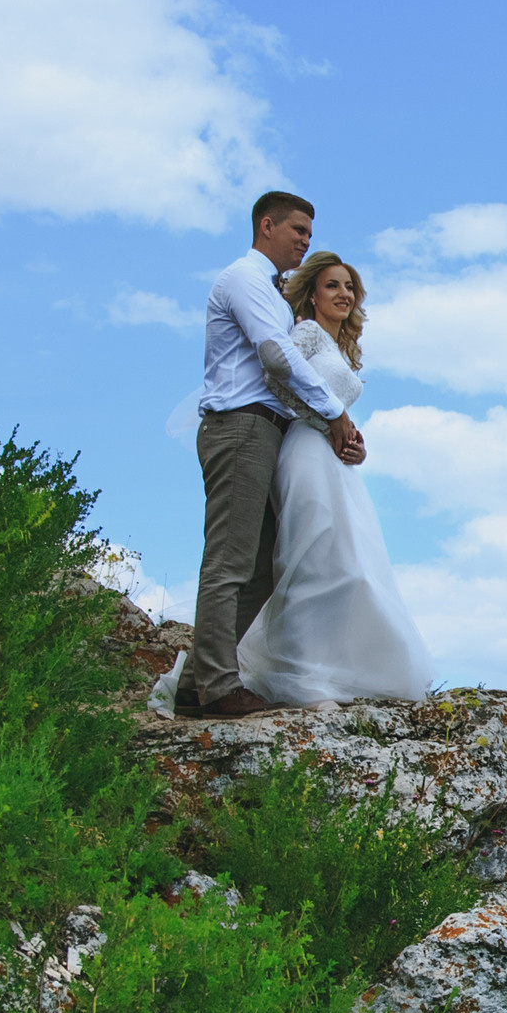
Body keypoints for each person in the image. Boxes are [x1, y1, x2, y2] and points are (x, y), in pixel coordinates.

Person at [178, 191, 365, 719]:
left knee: (260, 570)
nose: (306, 240)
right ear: (267, 225)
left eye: (309, 232)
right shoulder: (243, 278)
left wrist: (335, 424)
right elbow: (276, 355)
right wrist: (334, 414)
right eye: (298, 230)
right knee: (230, 562)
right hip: (240, 428)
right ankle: (216, 688)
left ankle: (197, 682)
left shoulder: (268, 290)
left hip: (268, 433)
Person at [234, 251, 436, 704]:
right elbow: (274, 375)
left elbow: (335, 407)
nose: (343, 294)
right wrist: (325, 418)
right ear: (311, 294)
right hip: (304, 451)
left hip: (335, 463)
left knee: (347, 562)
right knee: (309, 556)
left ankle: (337, 669)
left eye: (349, 288)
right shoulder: (304, 333)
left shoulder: (338, 348)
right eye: (332, 286)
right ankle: (301, 673)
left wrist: (353, 443)